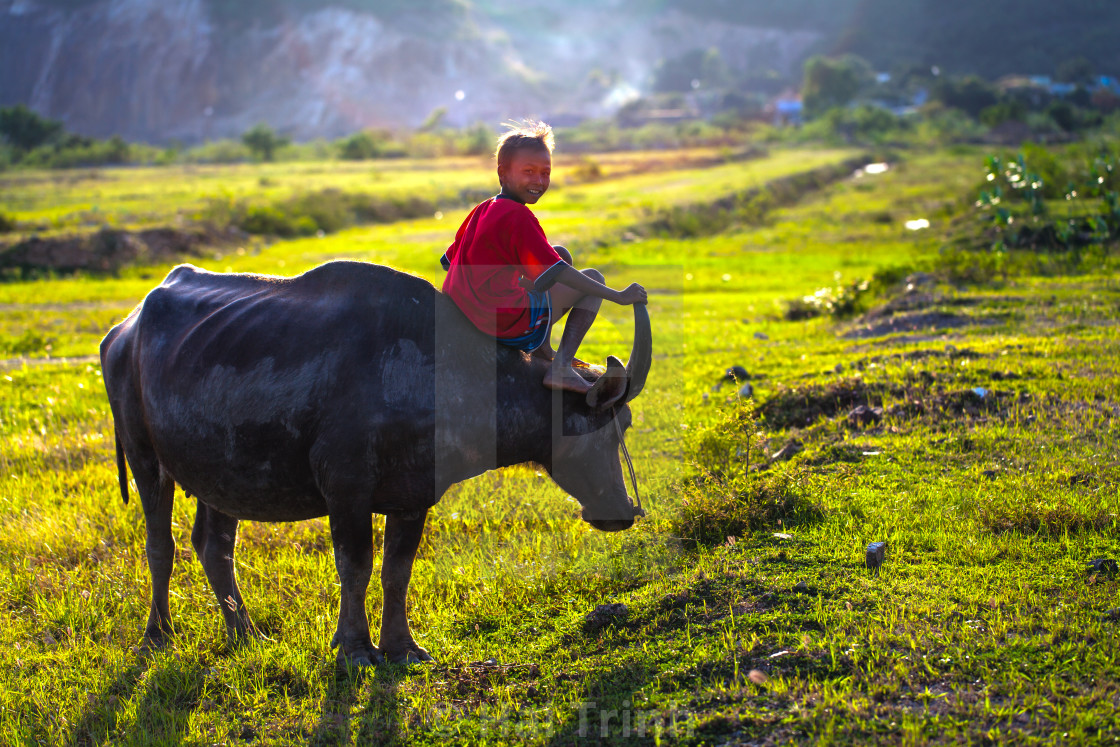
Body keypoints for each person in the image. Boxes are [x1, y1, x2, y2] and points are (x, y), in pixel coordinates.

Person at [440, 120, 647, 394]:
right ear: (503, 172)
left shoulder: (484, 208)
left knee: (559, 254)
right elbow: (559, 274)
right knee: (592, 279)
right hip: (497, 319)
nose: (538, 181)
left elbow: (448, 261)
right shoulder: (517, 216)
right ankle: (560, 369)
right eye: (528, 172)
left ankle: (542, 348)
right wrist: (617, 296)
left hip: (464, 310)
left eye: (545, 173)